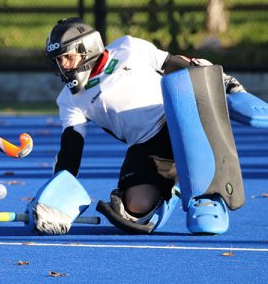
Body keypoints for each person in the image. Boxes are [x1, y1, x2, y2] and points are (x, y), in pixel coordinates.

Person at [43, 17, 249, 235]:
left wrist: (221, 82)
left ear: (88, 47)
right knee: (133, 210)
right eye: (57, 61)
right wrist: (53, 199)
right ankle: (172, 188)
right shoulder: (69, 99)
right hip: (146, 146)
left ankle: (206, 195)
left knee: (204, 217)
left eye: (67, 57)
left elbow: (173, 64)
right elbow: (71, 149)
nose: (63, 66)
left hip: (181, 119)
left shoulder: (128, 47)